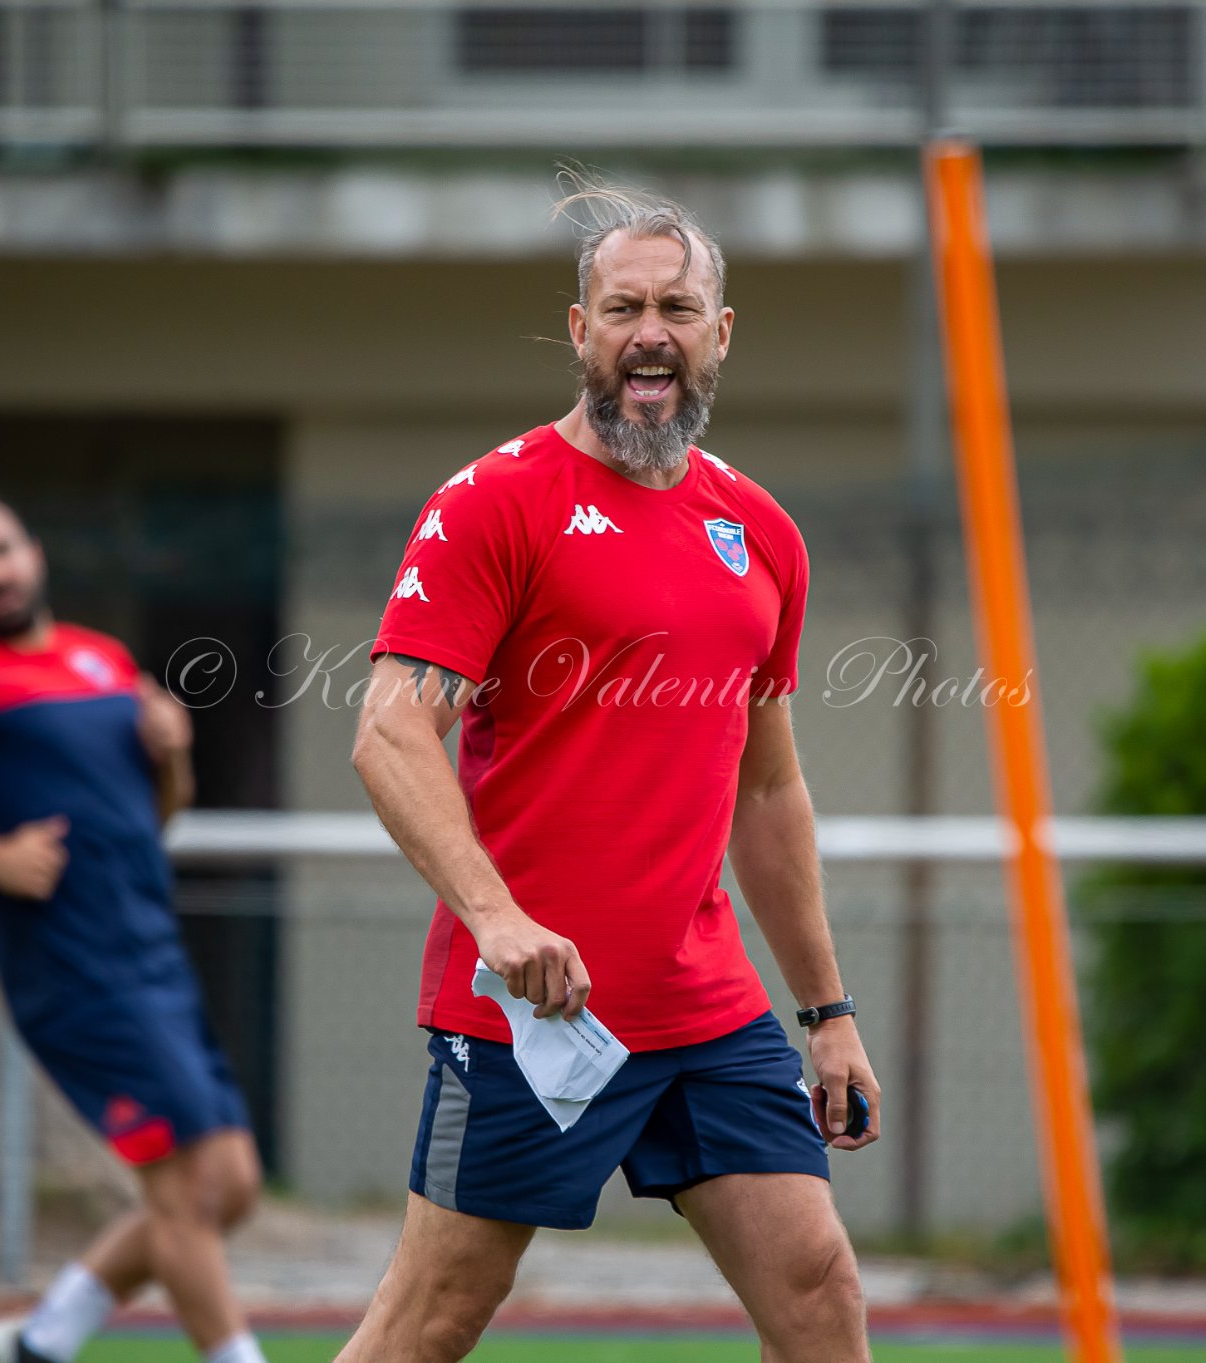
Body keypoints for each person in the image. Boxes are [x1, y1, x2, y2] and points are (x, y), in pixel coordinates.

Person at [341, 178, 881, 1363]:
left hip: (707, 1005)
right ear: (578, 329)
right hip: (535, 1011)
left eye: (678, 308)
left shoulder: (760, 531)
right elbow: (388, 732)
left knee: (817, 1281)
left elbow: (767, 789)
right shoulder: (492, 503)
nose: (651, 332)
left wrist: (826, 1013)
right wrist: (496, 918)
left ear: (718, 334)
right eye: (623, 306)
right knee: (430, 1320)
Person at [0, 493, 267, 1363]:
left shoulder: (101, 660)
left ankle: (41, 1339)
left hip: (152, 952)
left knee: (232, 1185)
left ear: (31, 551)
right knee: (185, 1188)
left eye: (0, 550)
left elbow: (157, 816)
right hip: (72, 969)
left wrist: (174, 753)